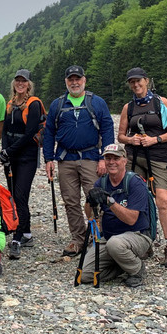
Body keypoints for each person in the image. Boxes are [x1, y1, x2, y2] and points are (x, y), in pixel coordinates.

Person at [43, 65, 115, 257]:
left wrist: (104, 158)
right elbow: (49, 132)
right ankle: (78, 239)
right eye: (70, 79)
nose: (74, 82)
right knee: (70, 201)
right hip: (66, 159)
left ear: (84, 80)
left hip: (92, 157)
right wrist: (48, 158)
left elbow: (107, 129)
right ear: (66, 81)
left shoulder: (97, 103)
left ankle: (97, 235)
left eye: (77, 79)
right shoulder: (57, 105)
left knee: (95, 198)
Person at [116, 67, 167, 267]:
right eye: (132, 82)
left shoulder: (160, 102)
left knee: (162, 200)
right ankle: (143, 241)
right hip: (134, 158)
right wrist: (131, 139)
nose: (136, 85)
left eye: (139, 81)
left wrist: (156, 139)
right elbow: (120, 136)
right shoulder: (129, 107)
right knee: (138, 201)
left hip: (158, 157)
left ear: (146, 81)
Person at [79, 144, 152, 288]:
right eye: (108, 158)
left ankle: (137, 270)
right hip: (109, 236)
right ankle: (122, 266)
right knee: (85, 275)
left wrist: (109, 201)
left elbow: (131, 220)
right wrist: (90, 200)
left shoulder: (135, 183)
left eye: (116, 158)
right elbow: (90, 217)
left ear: (124, 160)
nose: (112, 162)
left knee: (115, 244)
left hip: (138, 235)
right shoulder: (102, 182)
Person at [0, 69, 44, 259]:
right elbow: (5, 130)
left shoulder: (34, 104)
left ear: (29, 84)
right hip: (11, 155)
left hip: (26, 155)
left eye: (23, 81)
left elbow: (29, 134)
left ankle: (18, 237)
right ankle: (26, 232)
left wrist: (9, 151)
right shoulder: (10, 104)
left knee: (20, 195)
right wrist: (5, 150)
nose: (20, 84)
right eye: (17, 81)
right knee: (14, 193)